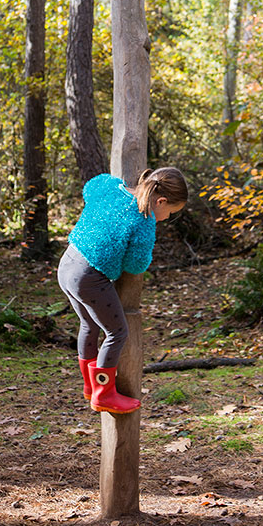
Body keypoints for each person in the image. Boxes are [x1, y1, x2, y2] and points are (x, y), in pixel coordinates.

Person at [60, 167, 190, 414]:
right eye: (170, 212)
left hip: (67, 265)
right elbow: (136, 264)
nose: (166, 218)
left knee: (89, 326)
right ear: (160, 201)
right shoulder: (144, 218)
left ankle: (90, 386)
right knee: (117, 332)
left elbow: (91, 187)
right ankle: (103, 395)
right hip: (89, 276)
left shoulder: (111, 188)